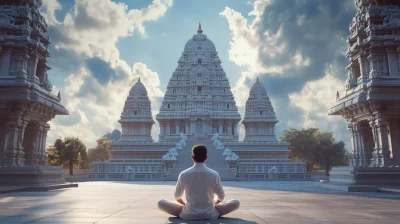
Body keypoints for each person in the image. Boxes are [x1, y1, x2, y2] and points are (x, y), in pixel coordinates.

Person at [158, 144, 240, 220]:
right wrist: (213, 204)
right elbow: (221, 197)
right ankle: (210, 207)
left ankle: (188, 208)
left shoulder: (183, 174)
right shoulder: (214, 174)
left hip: (188, 214)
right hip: (210, 214)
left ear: (192, 157)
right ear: (206, 158)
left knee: (161, 203)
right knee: (236, 202)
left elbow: (177, 197)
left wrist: (185, 204)